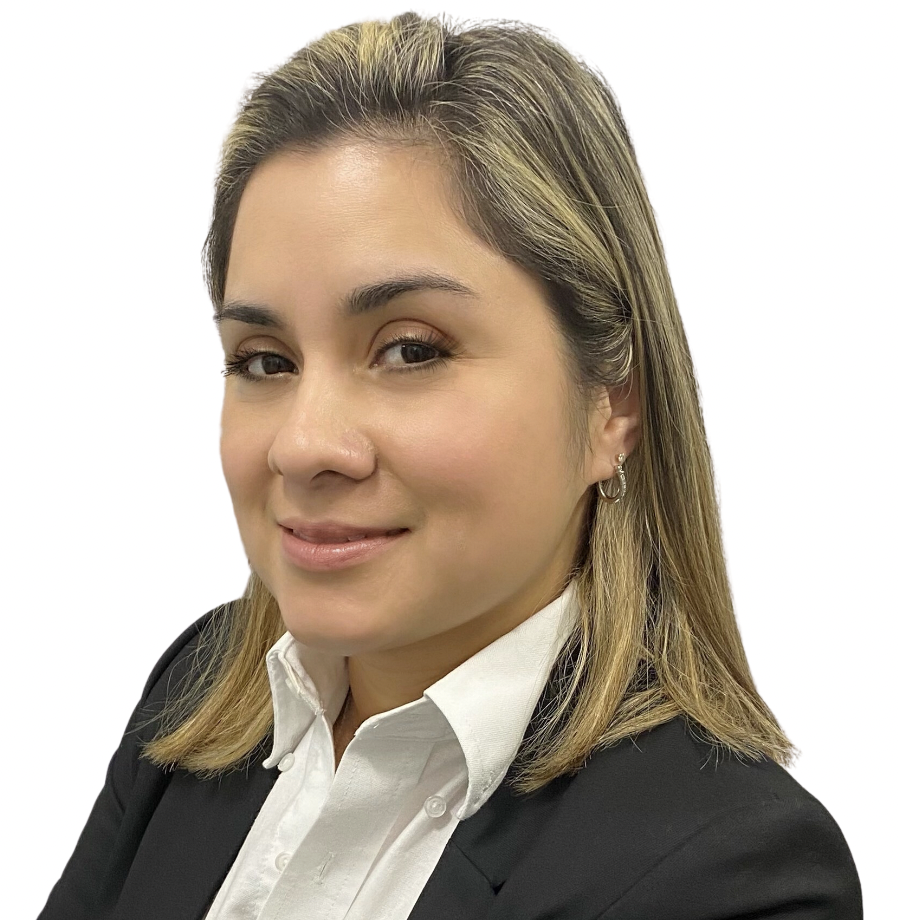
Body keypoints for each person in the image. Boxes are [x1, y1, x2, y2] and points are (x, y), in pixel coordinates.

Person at [38, 11, 862, 920]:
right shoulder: (197, 691)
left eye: (411, 350)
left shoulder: (734, 877)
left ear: (612, 405)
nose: (303, 445)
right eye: (264, 361)